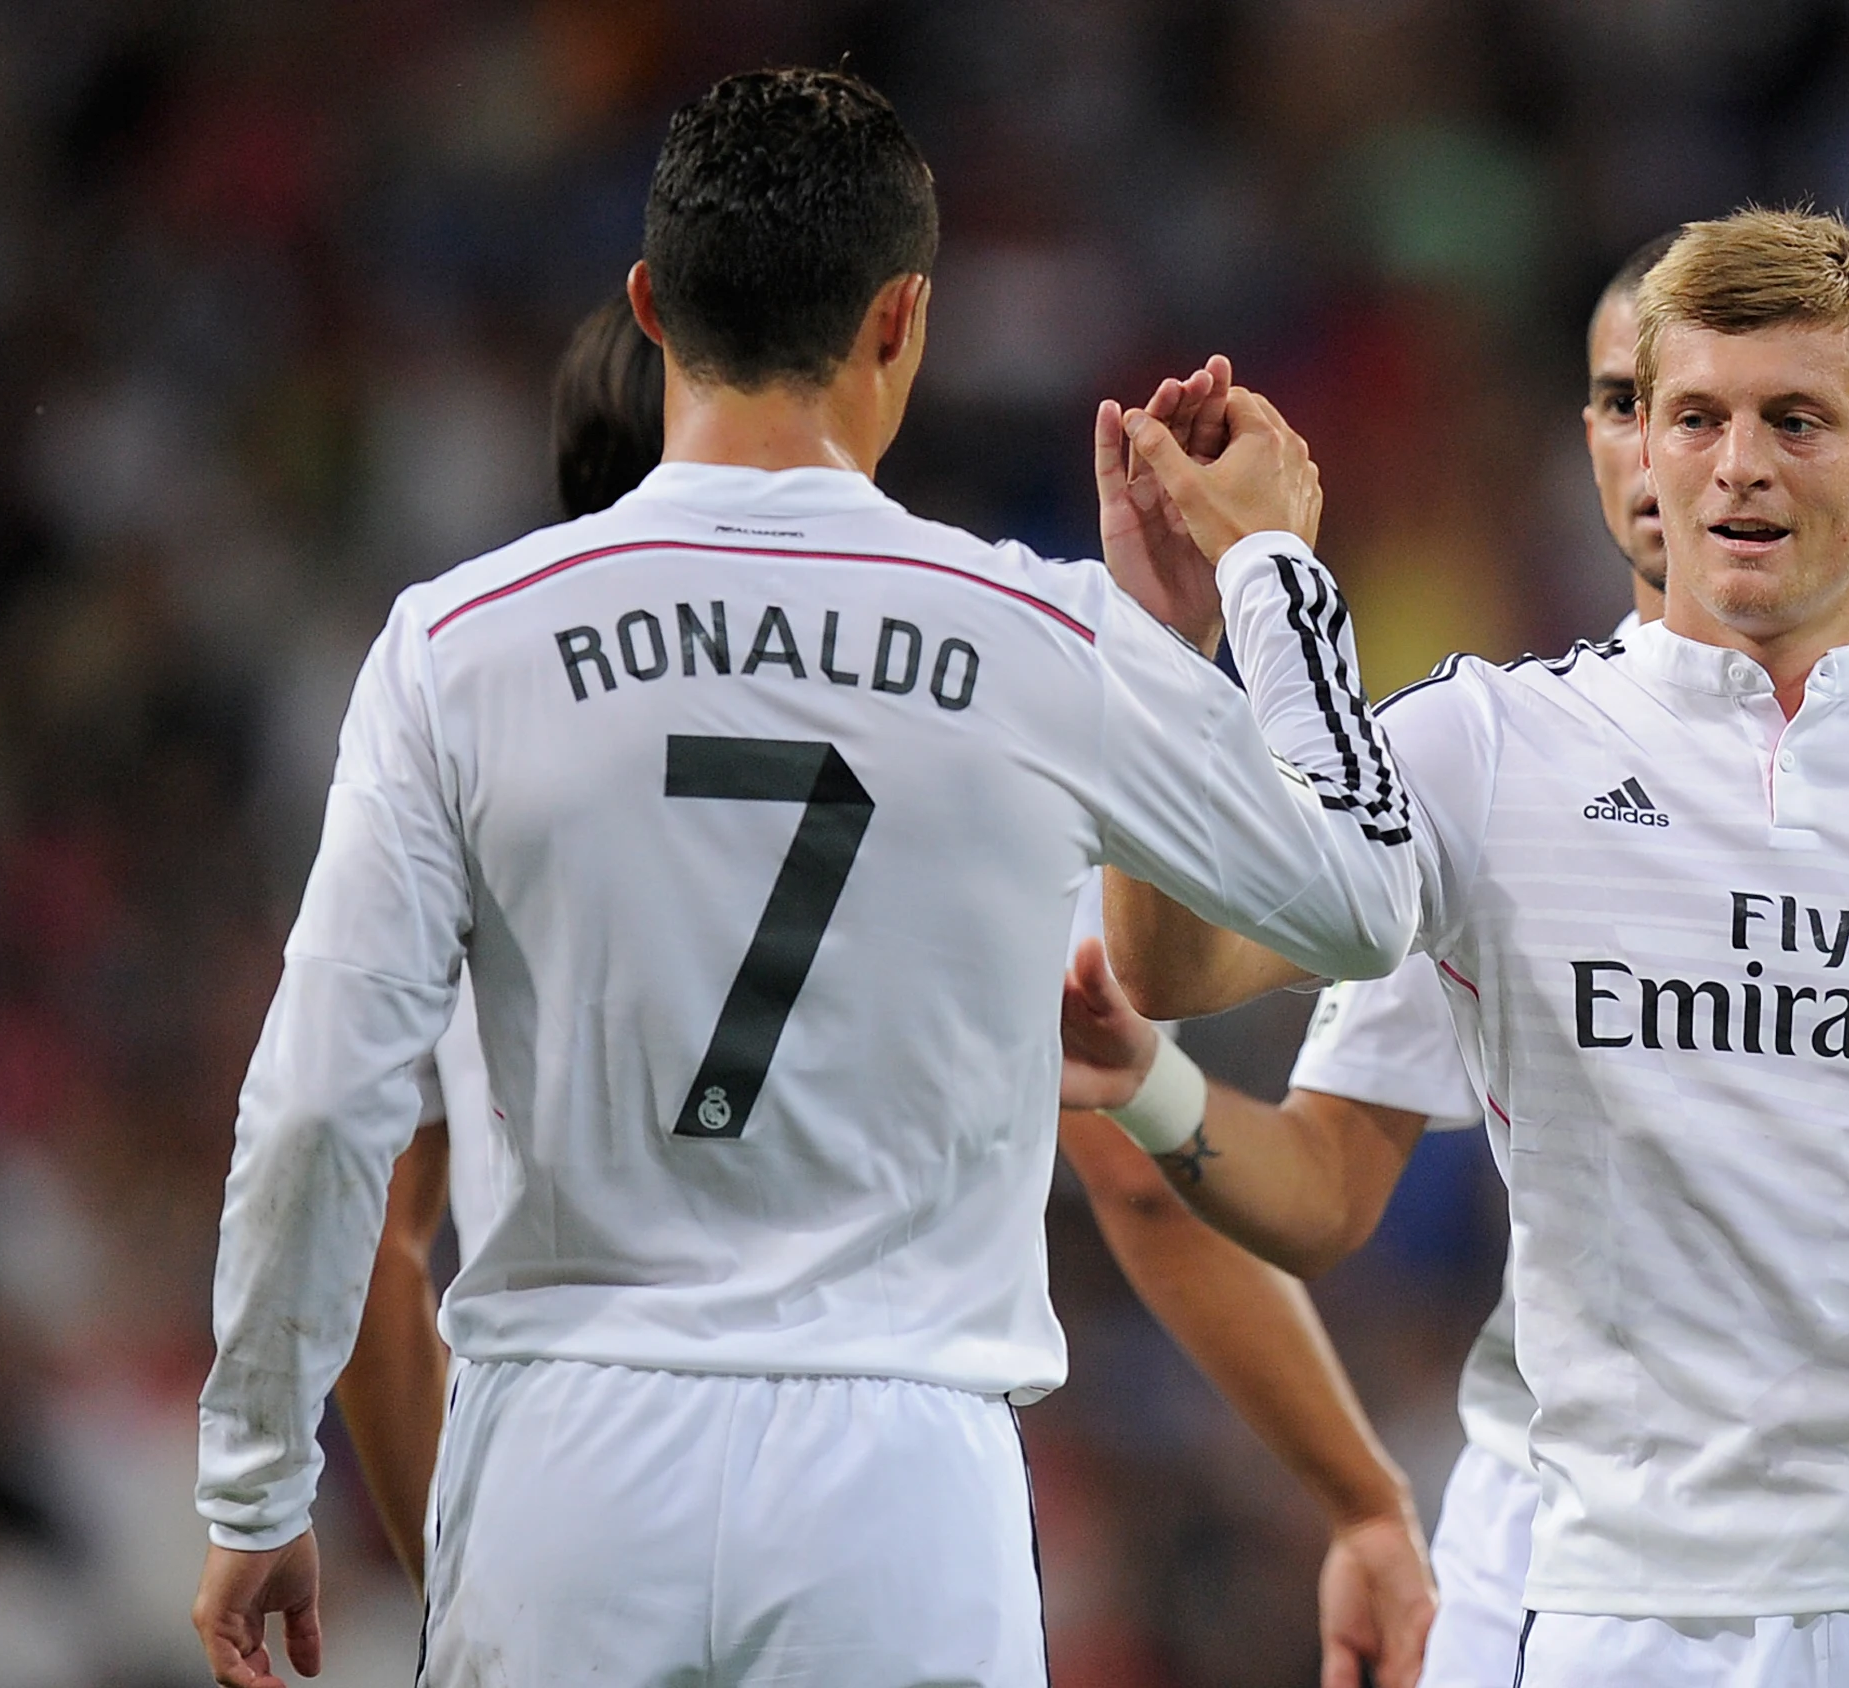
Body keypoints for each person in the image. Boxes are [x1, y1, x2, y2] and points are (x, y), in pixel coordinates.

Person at [192, 66, 1420, 1688]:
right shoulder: (1044, 640)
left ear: (650, 304)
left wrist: (257, 1478)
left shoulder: (458, 648)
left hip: (563, 1450)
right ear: (903, 320)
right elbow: (1364, 899)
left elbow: (318, 1103)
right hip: (900, 1486)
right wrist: (1263, 573)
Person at [1072, 232, 1849, 1684]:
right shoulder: (1484, 745)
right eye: (1697, 417)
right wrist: (1158, 644)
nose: (1739, 466)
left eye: (1796, 420)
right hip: (1634, 1609)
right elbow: (1182, 967)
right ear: (1640, 443)